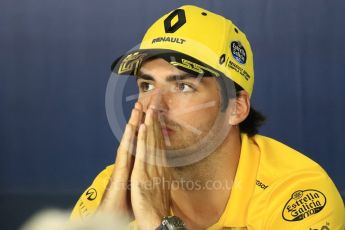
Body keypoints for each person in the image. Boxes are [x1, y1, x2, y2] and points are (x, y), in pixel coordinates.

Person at [71, 5, 345, 230]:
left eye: (183, 86)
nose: (154, 107)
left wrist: (158, 223)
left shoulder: (297, 196)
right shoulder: (116, 187)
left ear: (236, 108)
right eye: (147, 86)